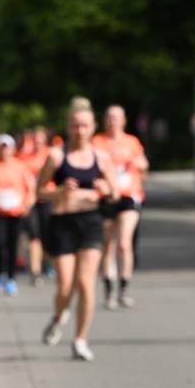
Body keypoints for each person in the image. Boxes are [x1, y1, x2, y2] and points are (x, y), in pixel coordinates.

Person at [36, 98, 118, 361]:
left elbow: (115, 193)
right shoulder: (56, 156)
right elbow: (39, 191)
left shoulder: (101, 158)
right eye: (75, 126)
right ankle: (58, 317)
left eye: (84, 126)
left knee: (85, 283)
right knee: (64, 286)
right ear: (68, 127)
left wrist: (106, 189)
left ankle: (80, 339)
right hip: (63, 223)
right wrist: (58, 191)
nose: (80, 131)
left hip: (91, 223)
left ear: (93, 127)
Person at [93, 106, 149, 308]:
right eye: (109, 117)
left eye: (116, 117)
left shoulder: (131, 142)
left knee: (124, 243)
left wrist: (139, 165)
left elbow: (144, 165)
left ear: (123, 120)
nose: (112, 121)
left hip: (129, 195)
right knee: (108, 244)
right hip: (106, 196)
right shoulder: (97, 142)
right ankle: (109, 290)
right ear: (104, 120)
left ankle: (123, 289)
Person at [0, 134, 35, 295]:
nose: (5, 151)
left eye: (7, 147)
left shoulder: (21, 166)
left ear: (12, 149)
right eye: (2, 147)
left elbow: (30, 189)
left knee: (12, 245)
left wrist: (28, 205)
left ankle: (11, 278)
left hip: (16, 213)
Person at [20, 126, 54, 285]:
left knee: (48, 236)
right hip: (31, 202)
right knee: (34, 236)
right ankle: (35, 271)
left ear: (46, 139)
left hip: (48, 199)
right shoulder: (24, 158)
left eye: (41, 138)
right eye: (35, 139)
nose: (38, 142)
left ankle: (47, 261)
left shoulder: (51, 155)